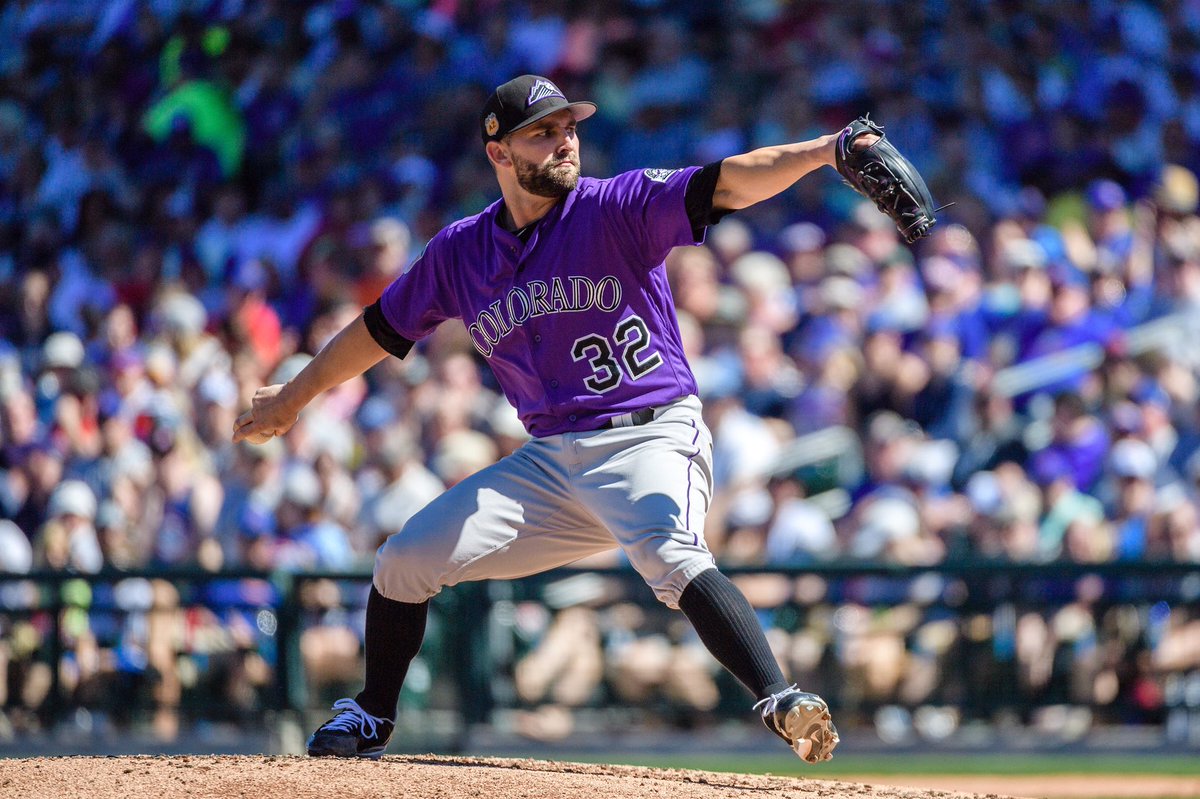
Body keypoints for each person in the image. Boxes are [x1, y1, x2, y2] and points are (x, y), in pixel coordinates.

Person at [234, 74, 869, 763]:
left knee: (670, 553)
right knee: (403, 560)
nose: (565, 141)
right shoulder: (461, 251)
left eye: (570, 127)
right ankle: (372, 713)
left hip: (650, 434)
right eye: (542, 132)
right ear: (499, 154)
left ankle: (779, 696)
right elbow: (378, 329)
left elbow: (726, 182)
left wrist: (827, 151)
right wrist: (292, 397)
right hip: (550, 462)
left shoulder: (615, 206)